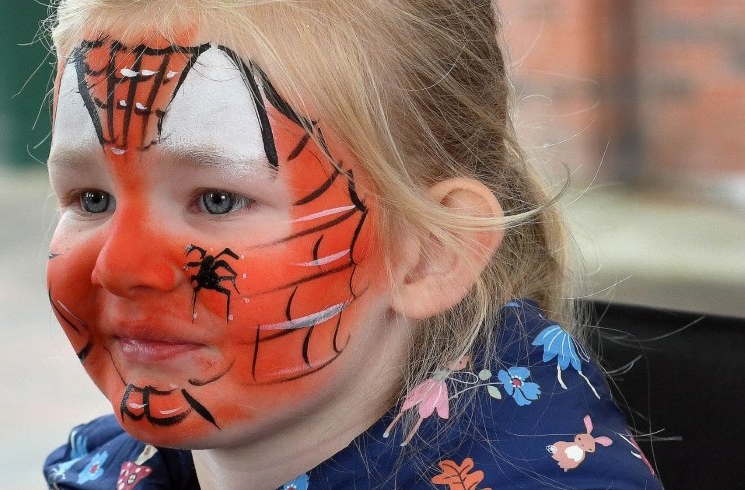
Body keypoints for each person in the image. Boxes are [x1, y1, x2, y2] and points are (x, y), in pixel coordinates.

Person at [40, 1, 662, 488]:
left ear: (428, 253)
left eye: (218, 200)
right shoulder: (115, 467)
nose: (120, 268)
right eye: (92, 200)